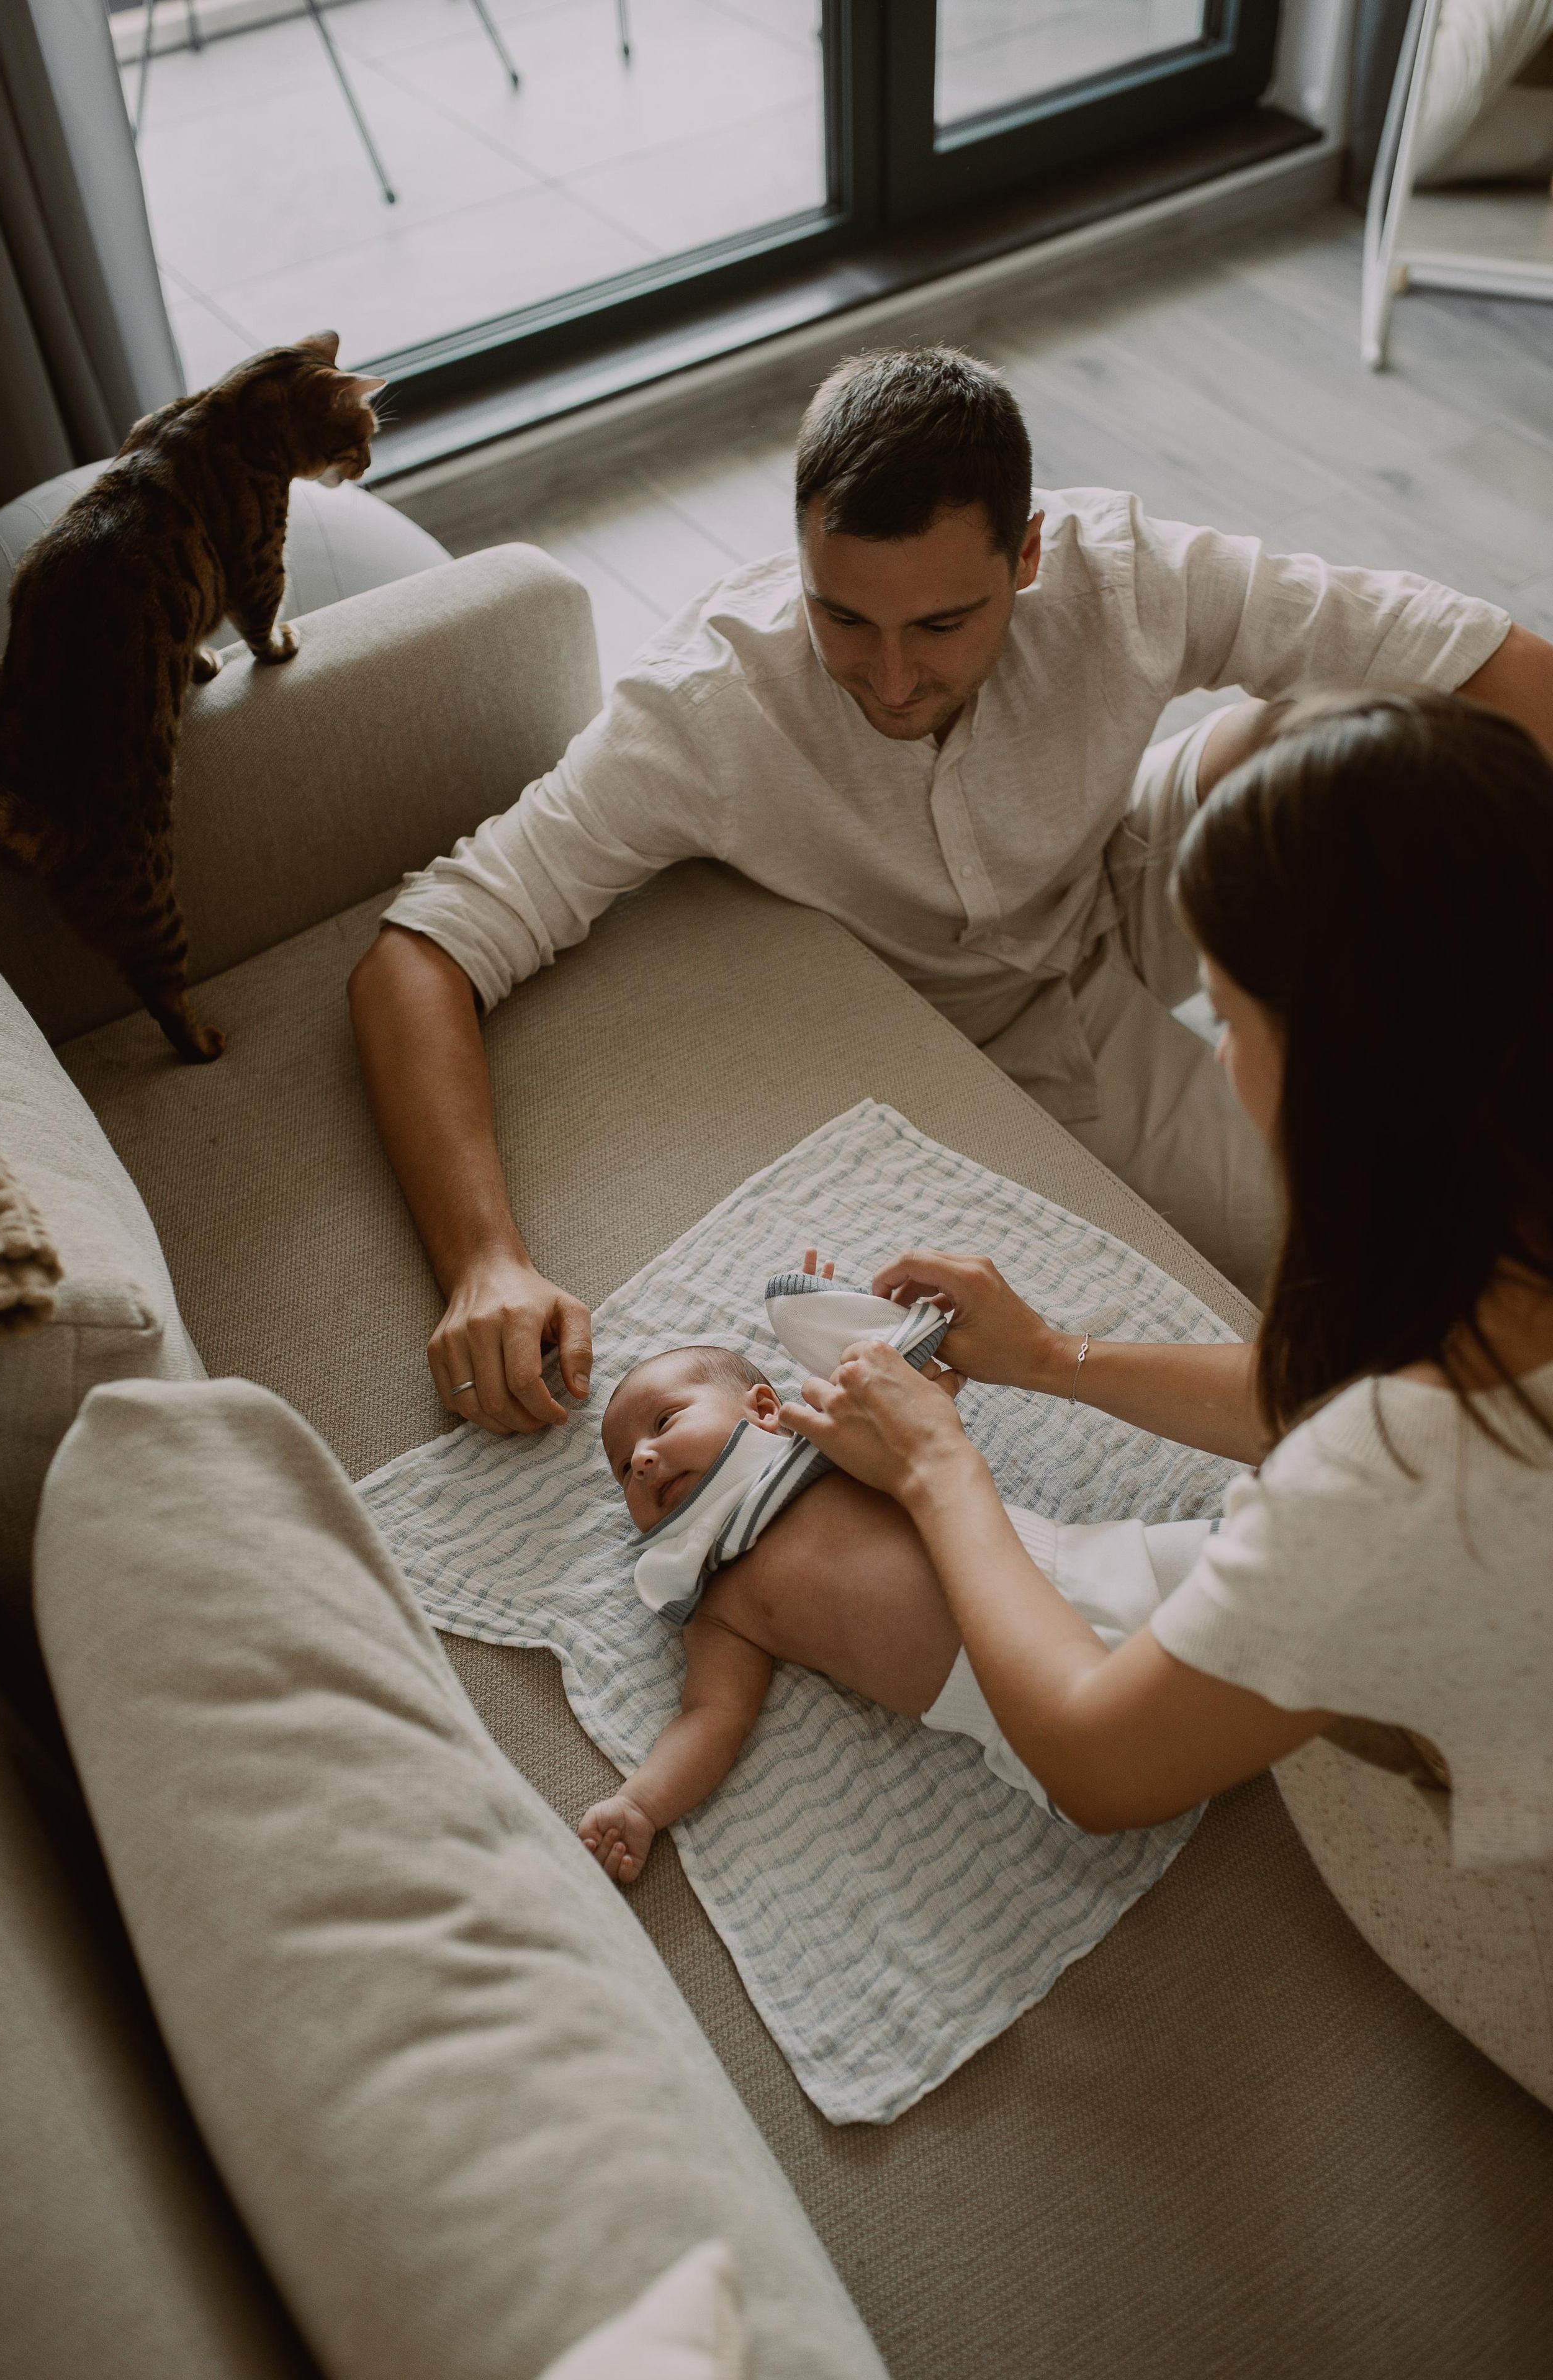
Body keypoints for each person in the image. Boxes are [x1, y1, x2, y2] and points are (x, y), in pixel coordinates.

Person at [348, 345, 1553, 1436]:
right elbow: (423, 950)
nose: (889, 678)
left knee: (1328, 736)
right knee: (1383, 1254)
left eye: (940, 623)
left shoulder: (1120, 572)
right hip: (1002, 1023)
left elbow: (1488, 661)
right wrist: (483, 1263)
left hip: (1126, 855)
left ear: (1026, 556)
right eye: (840, 615)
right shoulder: (698, 713)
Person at [773, 690, 1553, 1856]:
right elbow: (1349, 1390)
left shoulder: (1399, 1478)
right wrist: (1053, 1357)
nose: (1219, 1056)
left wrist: (938, 1467)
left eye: (1227, 1018)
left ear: (1346, 1065)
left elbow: (1099, 1763)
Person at [578, 1336, 1214, 1883]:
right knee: (1142, 1762)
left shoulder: (825, 1452)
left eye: (664, 1422)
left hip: (1085, 1566)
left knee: (1243, 1565)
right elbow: (711, 1716)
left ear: (765, 1409)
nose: (642, 1460)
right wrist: (641, 1805)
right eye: (623, 1469)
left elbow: (906, 1407)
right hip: (1016, 1712)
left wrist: (852, 1333)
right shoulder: (716, 1594)